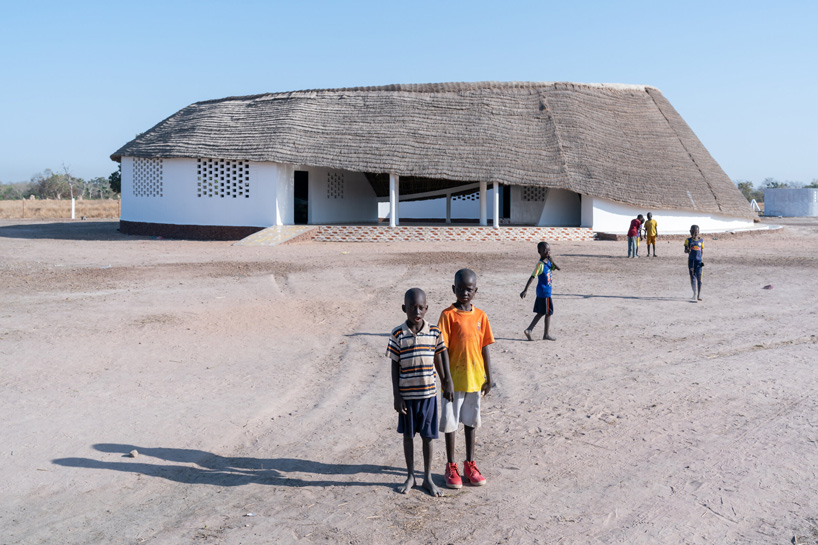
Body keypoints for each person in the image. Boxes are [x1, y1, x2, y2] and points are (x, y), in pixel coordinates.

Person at [387, 288, 454, 496]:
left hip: (428, 397)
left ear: (426, 308)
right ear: (404, 308)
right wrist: (397, 396)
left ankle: (427, 477)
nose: (417, 311)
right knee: (408, 436)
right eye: (412, 307)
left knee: (427, 437)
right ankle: (410, 476)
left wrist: (447, 381)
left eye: (421, 307)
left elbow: (440, 357)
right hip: (407, 398)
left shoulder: (434, 332)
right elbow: (394, 366)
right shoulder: (397, 333)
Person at [438, 269, 494, 489]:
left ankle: (470, 463)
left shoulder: (481, 316)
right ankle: (451, 465)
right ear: (453, 289)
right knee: (451, 424)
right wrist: (445, 379)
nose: (464, 293)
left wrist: (489, 377)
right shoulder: (447, 315)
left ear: (475, 291)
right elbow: (441, 349)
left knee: (471, 422)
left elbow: (485, 347)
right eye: (460, 289)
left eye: (469, 290)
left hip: (474, 379)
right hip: (453, 381)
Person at [520, 241, 560, 341]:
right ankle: (542, 333)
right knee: (548, 312)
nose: (547, 252)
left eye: (549, 250)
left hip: (546, 292)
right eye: (545, 250)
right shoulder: (540, 265)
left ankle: (531, 330)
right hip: (544, 292)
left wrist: (552, 260)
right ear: (539, 251)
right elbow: (532, 276)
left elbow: (558, 268)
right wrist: (525, 290)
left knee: (543, 312)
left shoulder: (549, 263)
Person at [684, 225, 704, 302]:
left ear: (698, 232)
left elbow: (702, 252)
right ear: (690, 232)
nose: (695, 234)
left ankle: (699, 295)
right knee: (693, 277)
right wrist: (687, 250)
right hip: (691, 262)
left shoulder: (701, 241)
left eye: (696, 232)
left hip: (699, 262)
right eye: (693, 232)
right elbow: (685, 250)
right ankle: (694, 294)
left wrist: (702, 261)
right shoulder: (688, 240)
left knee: (700, 277)